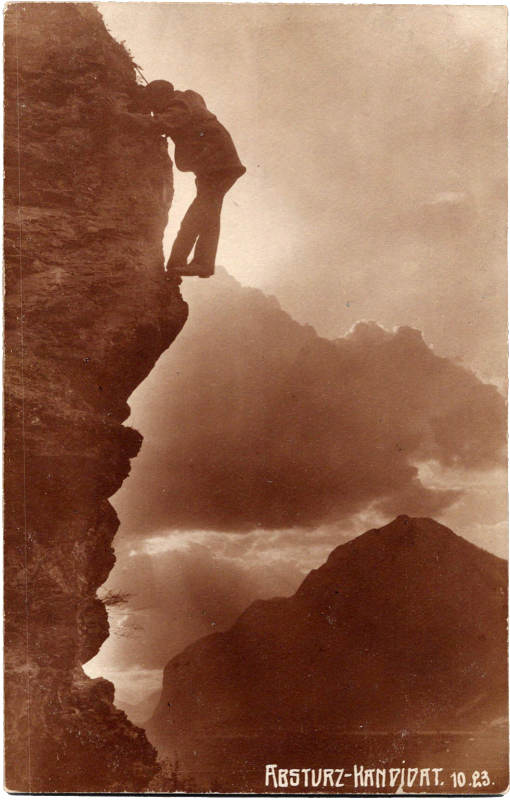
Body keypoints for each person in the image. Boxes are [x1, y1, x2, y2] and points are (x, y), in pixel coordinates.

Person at [116, 80, 246, 278]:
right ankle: (198, 263)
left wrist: (119, 116)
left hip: (218, 165)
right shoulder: (185, 101)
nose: (154, 110)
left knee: (200, 210)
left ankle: (186, 262)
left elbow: (157, 124)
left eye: (154, 105)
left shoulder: (180, 108)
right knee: (208, 211)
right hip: (218, 164)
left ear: (162, 99)